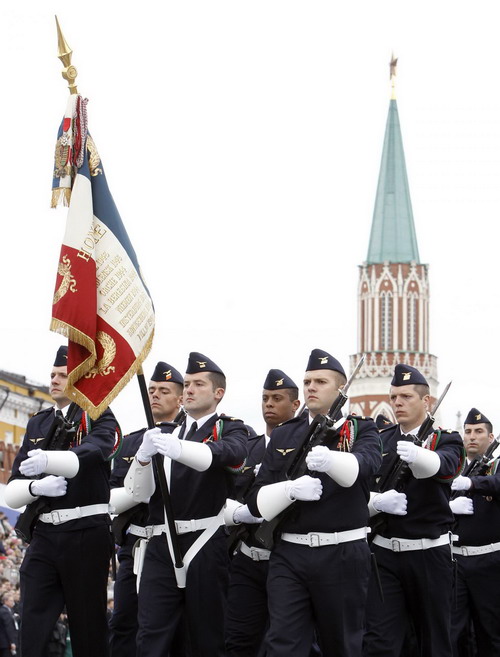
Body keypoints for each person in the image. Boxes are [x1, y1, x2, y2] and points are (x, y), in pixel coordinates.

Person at [246, 348, 382, 657]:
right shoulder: (285, 434)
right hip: (289, 554)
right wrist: (290, 491)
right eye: (307, 381)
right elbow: (256, 499)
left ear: (340, 389)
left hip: (342, 553)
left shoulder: (362, 429)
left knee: (341, 645)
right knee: (283, 643)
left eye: (320, 381)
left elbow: (365, 467)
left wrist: (332, 460)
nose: (310, 387)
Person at [124, 352, 248, 657]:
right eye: (188, 384)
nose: (189, 389)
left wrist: (179, 449)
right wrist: (141, 457)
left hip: (205, 542)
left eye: (198, 384)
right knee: (150, 634)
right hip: (162, 542)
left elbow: (227, 454)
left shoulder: (231, 428)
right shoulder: (166, 434)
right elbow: (138, 492)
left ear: (218, 393)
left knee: (206, 637)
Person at [5, 345, 120, 657]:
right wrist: (36, 488)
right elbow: (14, 488)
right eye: (52, 374)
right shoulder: (38, 423)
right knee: (32, 626)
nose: (54, 380)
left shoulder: (99, 415)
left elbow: (95, 452)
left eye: (62, 375)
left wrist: (50, 461)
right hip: (43, 536)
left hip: (84, 532)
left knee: (88, 629)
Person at [363, 363, 464, 657]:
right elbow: (361, 487)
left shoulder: (445, 439)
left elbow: (447, 468)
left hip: (429, 555)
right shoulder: (380, 439)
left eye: (406, 396)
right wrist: (377, 502)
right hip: (384, 555)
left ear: (426, 401)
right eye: (394, 396)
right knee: (381, 642)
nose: (397, 403)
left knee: (434, 642)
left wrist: (420, 456)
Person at [108, 361, 184, 657]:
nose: (155, 395)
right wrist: (136, 490)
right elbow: (113, 493)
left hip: (172, 544)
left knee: (169, 626)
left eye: (164, 391)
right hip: (135, 543)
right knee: (124, 623)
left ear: (180, 398)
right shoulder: (130, 442)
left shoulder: (186, 441)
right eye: (151, 390)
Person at [225, 369, 301, 657]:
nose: (269, 404)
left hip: (287, 558)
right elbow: (228, 495)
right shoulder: (249, 448)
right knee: (238, 639)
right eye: (266, 398)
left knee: (285, 643)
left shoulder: (307, 449)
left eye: (277, 398)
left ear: (295, 405)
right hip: (247, 557)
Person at [449, 407, 500, 657]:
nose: (472, 436)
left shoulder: (495, 467)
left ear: (490, 438)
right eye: (468, 431)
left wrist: (473, 483)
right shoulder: (454, 468)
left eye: (479, 432)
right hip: (455, 560)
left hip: (489, 562)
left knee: (490, 631)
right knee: (452, 632)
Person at [0, 592, 17, 657]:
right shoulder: (4, 612)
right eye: (11, 601)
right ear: (5, 601)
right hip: (6, 642)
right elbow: (8, 627)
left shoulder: (10, 610)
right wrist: (12, 642)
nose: (13, 602)